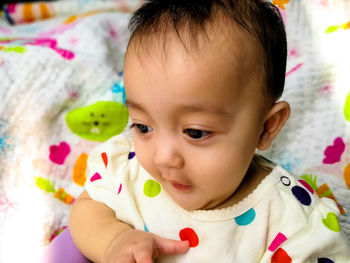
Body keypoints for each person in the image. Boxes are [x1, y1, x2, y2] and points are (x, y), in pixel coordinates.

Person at [69, 0, 350, 262]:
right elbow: (87, 208)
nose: (164, 157)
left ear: (266, 128)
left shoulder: (291, 225)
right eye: (143, 126)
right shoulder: (126, 169)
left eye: (195, 132)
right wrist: (113, 239)